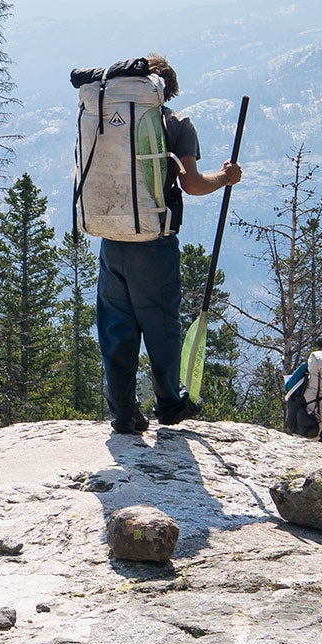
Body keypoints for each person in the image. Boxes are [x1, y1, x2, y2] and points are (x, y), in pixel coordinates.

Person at [96, 54, 242, 435]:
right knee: (160, 321)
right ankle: (170, 402)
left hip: (113, 235)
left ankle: (123, 412)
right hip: (153, 242)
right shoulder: (176, 123)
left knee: (117, 326)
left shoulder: (104, 114)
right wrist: (224, 178)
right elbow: (192, 185)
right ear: (167, 89)